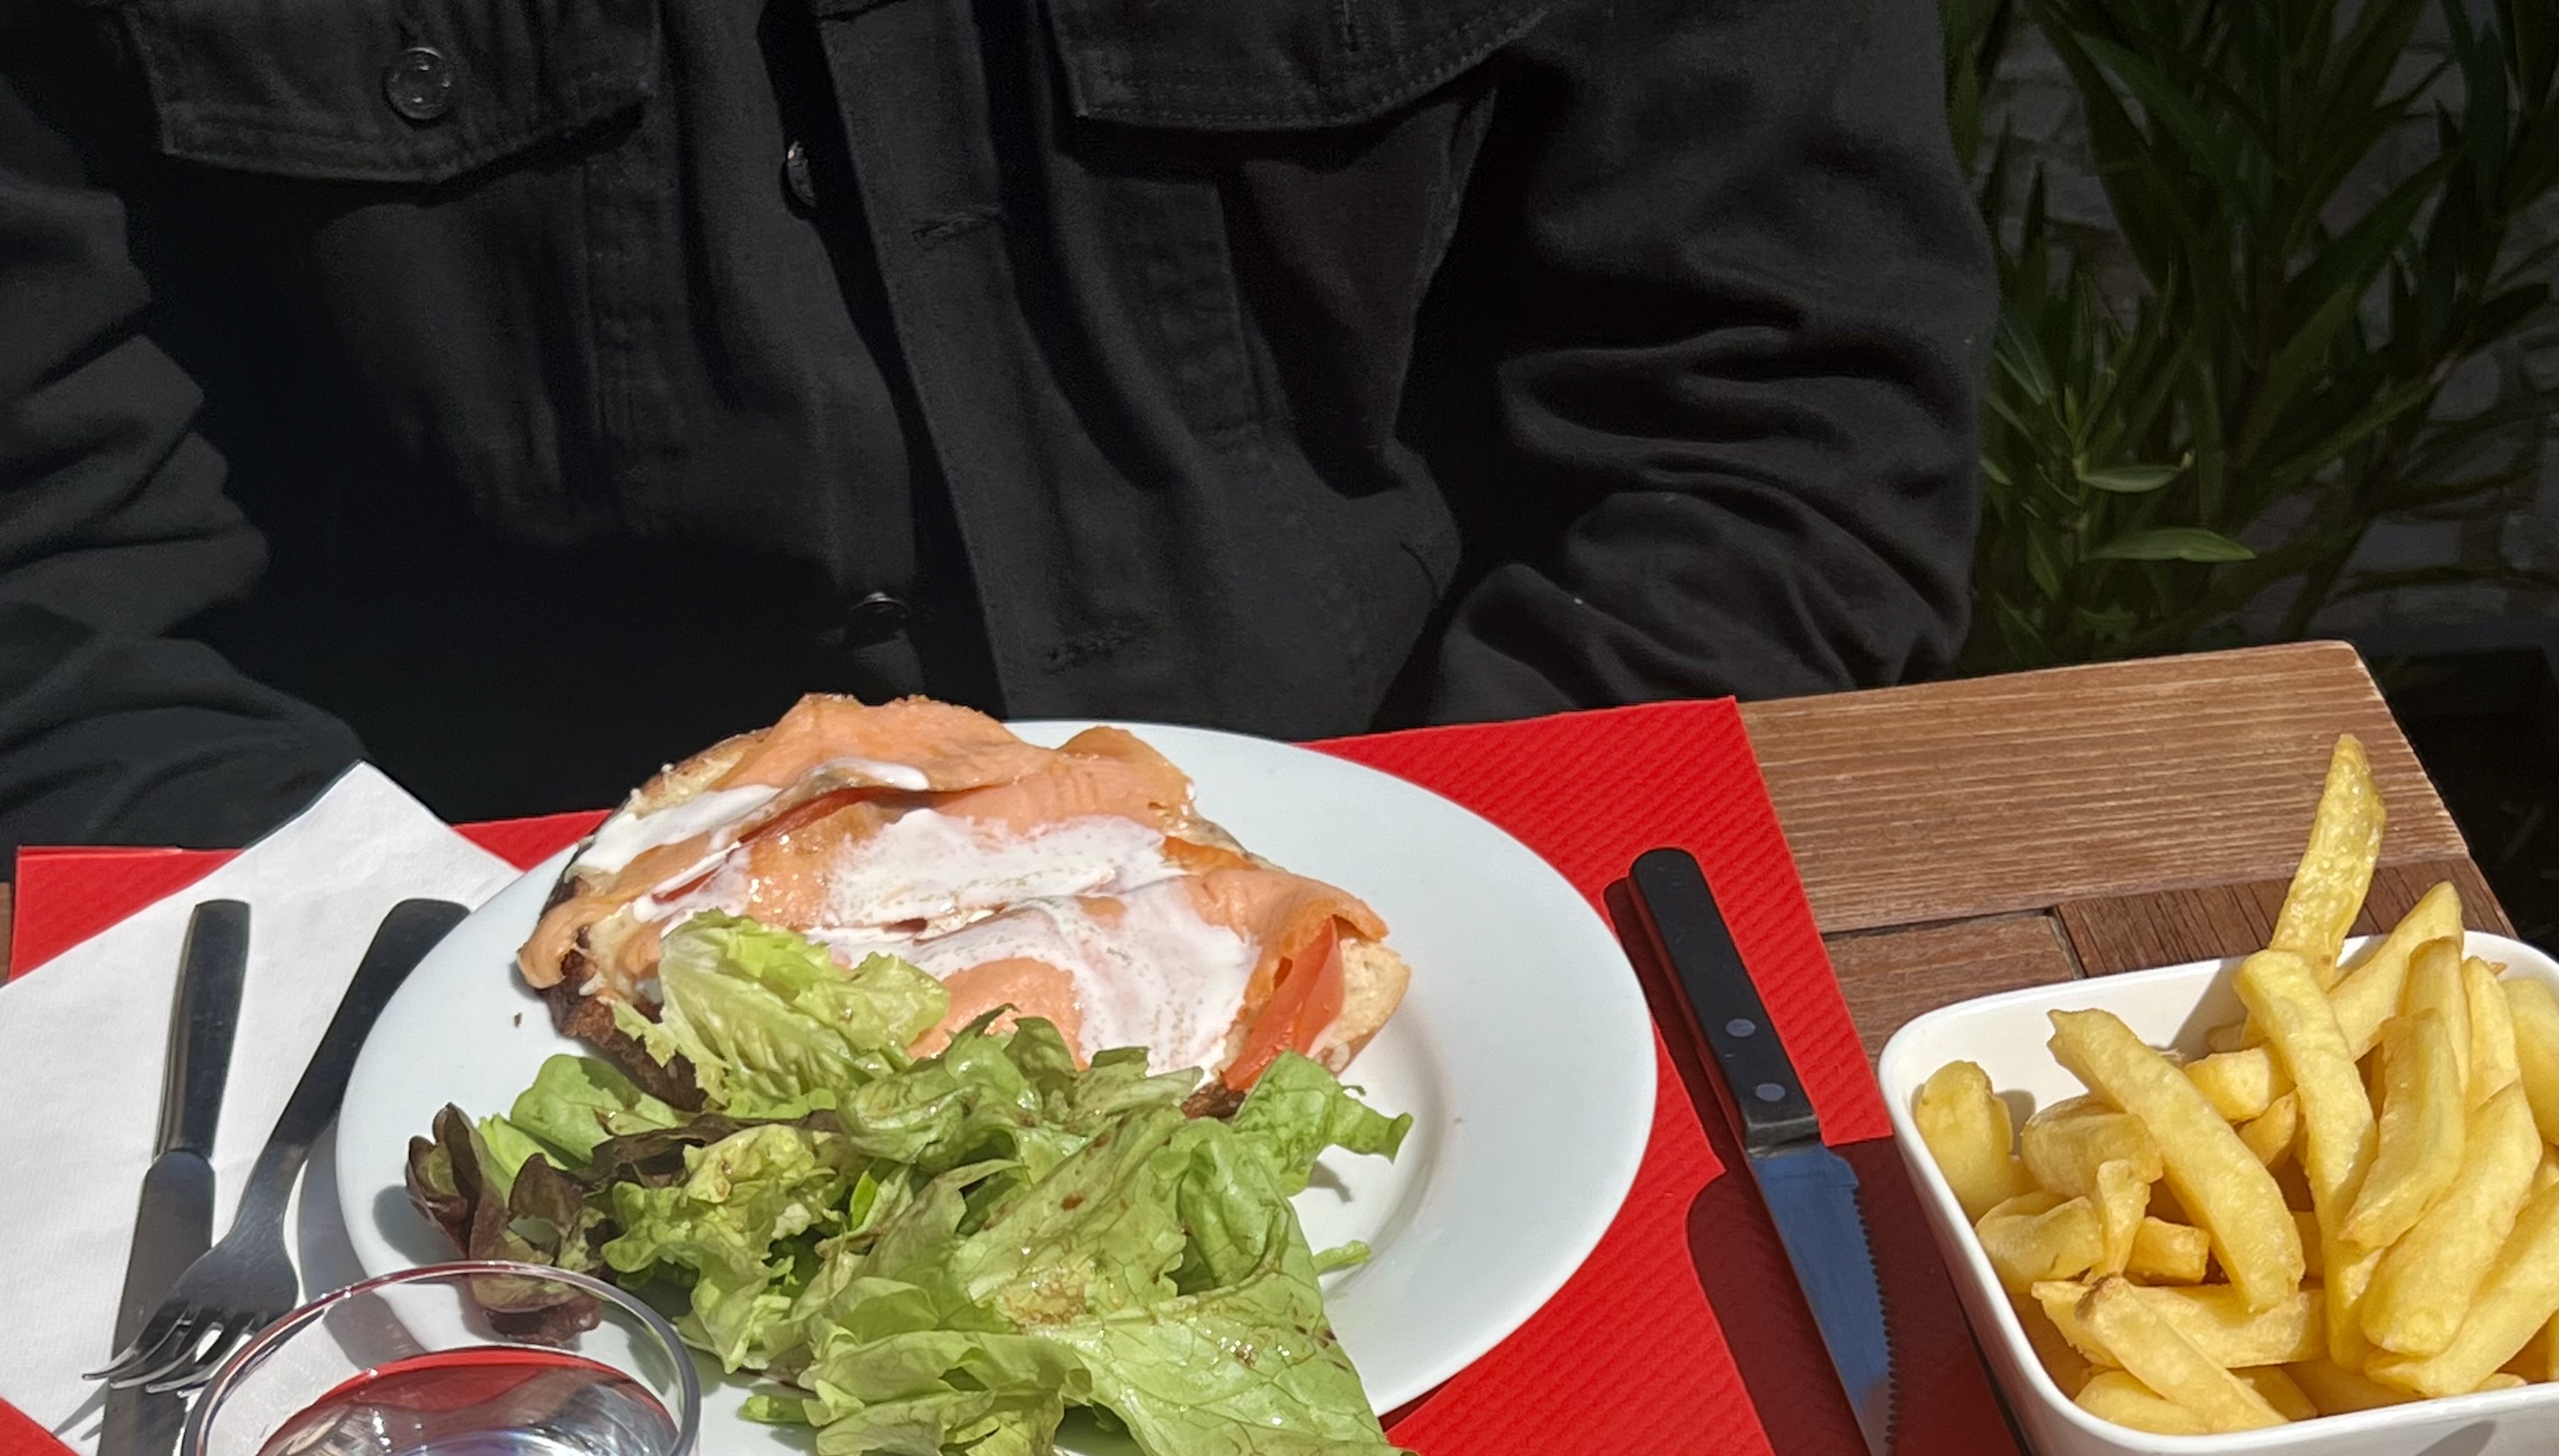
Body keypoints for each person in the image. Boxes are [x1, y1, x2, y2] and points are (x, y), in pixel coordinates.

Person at [0, 0, 1993, 858]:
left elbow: (1782, 420)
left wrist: (1399, 921)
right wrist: (450, 1028)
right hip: (471, 1052)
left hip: (1447, 893)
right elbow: (57, 600)